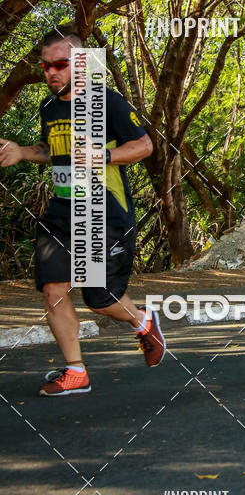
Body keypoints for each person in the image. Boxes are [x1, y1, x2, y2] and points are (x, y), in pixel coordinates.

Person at [0, 24, 165, 396]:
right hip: (61, 208)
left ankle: (142, 321)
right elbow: (51, 149)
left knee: (99, 298)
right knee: (52, 288)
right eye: (45, 67)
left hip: (102, 209)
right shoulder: (48, 106)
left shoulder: (106, 101)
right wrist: (22, 152)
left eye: (59, 64)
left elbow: (144, 147)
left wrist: (102, 155)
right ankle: (76, 371)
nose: (51, 73)